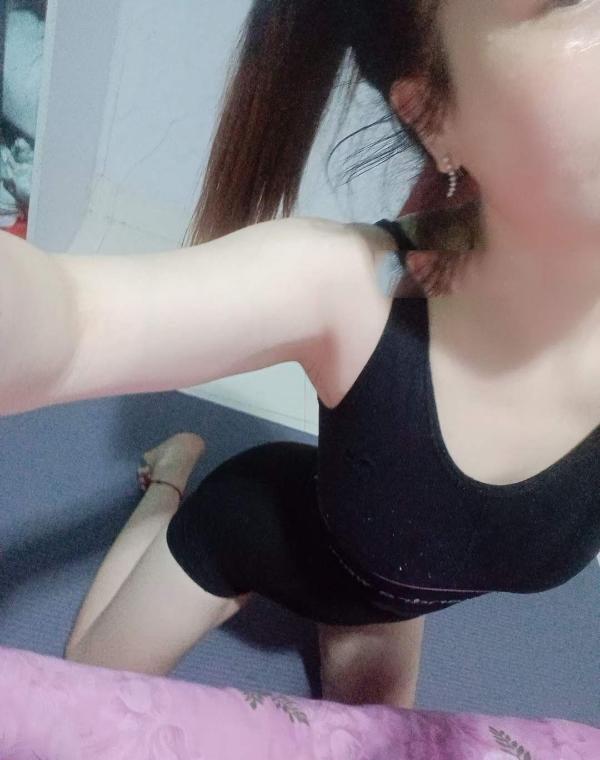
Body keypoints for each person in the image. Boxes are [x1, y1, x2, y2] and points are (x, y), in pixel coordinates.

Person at [1, 0, 599, 712]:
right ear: (435, 118)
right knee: (86, 683)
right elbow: (74, 323)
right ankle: (171, 475)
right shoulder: (351, 286)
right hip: (254, 532)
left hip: (384, 592)